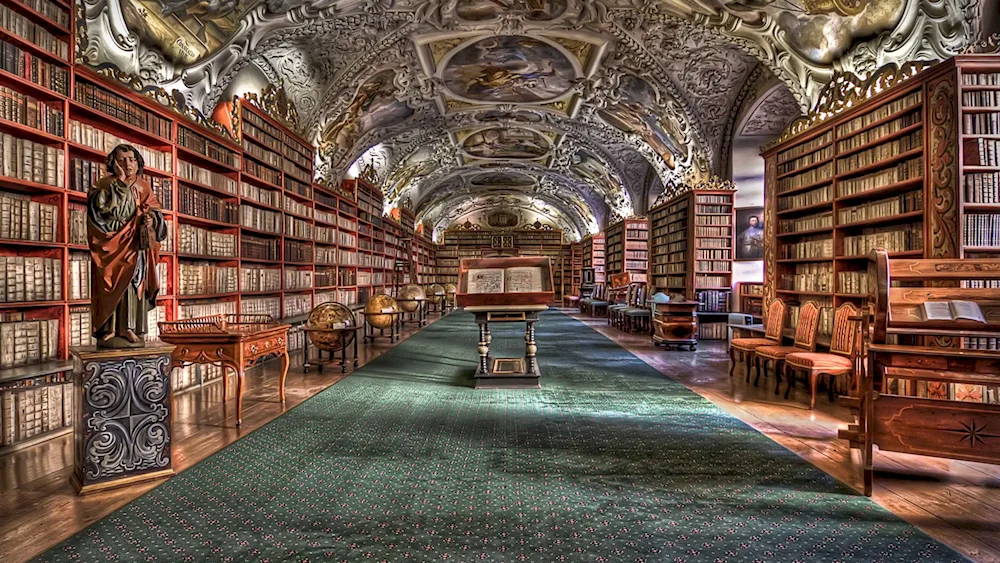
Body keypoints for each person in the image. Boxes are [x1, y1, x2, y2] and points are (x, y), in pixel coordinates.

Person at [87, 144, 167, 348]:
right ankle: (108, 328)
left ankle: (130, 327)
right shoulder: (104, 184)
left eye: (131, 159)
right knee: (111, 284)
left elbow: (156, 213)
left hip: (134, 244)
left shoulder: (143, 186)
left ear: (138, 162)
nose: (127, 164)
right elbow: (98, 210)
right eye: (122, 160)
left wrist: (151, 221)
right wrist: (120, 182)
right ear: (114, 163)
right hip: (110, 243)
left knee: (133, 283)